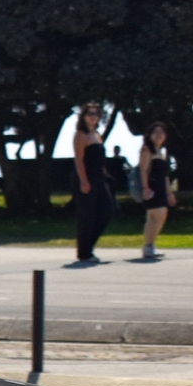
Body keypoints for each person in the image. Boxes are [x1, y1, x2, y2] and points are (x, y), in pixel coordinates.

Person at [69, 104, 112, 265]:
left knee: (107, 210)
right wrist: (84, 181)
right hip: (86, 178)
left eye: (96, 114)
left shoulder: (96, 134)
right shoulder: (81, 135)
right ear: (83, 116)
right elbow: (79, 160)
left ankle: (89, 245)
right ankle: (84, 252)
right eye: (89, 113)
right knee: (86, 216)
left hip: (99, 178)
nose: (93, 116)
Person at [136, 121, 176, 262]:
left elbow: (164, 175)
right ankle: (148, 245)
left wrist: (170, 192)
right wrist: (145, 188)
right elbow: (143, 170)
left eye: (161, 132)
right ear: (150, 135)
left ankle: (149, 246)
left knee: (153, 217)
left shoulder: (162, 152)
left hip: (160, 187)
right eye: (155, 132)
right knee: (159, 214)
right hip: (151, 187)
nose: (159, 135)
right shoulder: (147, 150)